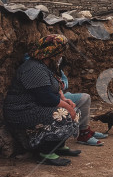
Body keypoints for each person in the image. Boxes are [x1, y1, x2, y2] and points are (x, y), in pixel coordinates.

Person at [3, 34, 80, 166]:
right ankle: (45, 152)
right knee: (63, 115)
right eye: (60, 51)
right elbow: (45, 98)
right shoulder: (33, 68)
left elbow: (54, 87)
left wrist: (64, 99)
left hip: (34, 106)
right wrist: (67, 107)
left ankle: (58, 146)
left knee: (75, 110)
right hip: (21, 110)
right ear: (52, 51)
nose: (62, 54)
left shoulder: (46, 65)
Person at [58, 60, 107, 146]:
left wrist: (61, 86)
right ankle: (83, 133)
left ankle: (85, 129)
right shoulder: (39, 67)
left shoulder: (52, 65)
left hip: (59, 94)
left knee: (84, 97)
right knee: (85, 98)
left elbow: (62, 81)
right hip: (51, 98)